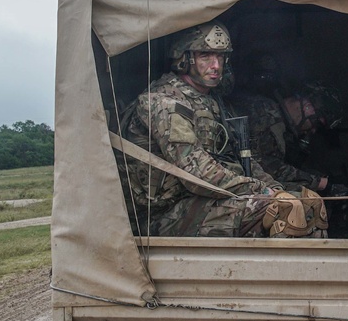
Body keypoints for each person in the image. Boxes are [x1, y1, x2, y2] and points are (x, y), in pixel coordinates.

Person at [120, 21, 326, 238]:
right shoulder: (164, 102)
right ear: (186, 59)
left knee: (309, 206)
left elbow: (240, 159)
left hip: (197, 202)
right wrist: (264, 193)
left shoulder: (210, 102)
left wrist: (277, 189)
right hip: (161, 214)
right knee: (280, 211)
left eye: (220, 57)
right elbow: (196, 172)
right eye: (205, 56)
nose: (216, 65)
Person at [230, 82, 345, 194]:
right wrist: (320, 183)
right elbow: (265, 166)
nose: (313, 130)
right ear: (307, 107)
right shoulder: (268, 116)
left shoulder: (276, 118)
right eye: (317, 123)